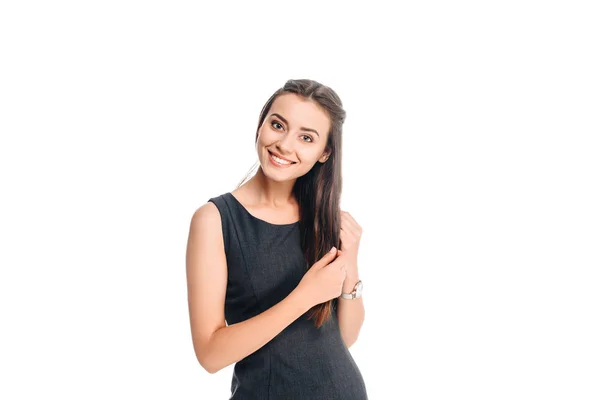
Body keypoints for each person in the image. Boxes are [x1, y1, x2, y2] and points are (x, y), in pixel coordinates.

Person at [186, 78, 368, 399]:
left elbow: (345, 338)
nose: (285, 145)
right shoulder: (215, 220)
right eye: (278, 124)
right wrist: (303, 297)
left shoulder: (323, 216)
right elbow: (210, 355)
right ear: (261, 125)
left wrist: (350, 262)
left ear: (324, 153)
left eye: (306, 137)